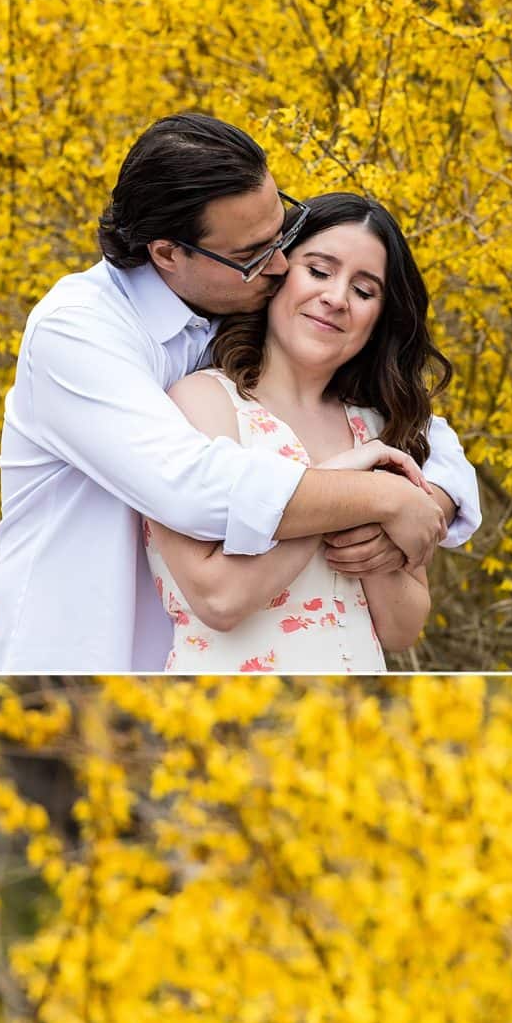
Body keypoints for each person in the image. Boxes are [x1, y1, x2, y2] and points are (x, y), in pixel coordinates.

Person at [0, 116, 480, 673]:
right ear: (168, 254)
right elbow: (196, 487)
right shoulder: (80, 333)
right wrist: (382, 498)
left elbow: (430, 443)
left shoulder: (234, 308)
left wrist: (427, 498)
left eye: (281, 237)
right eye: (254, 253)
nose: (281, 265)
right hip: (80, 660)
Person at [143, 192, 448, 671]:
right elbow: (220, 599)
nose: (336, 298)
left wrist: (371, 513)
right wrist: (355, 492)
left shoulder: (374, 429)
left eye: (364, 291)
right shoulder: (200, 402)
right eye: (319, 271)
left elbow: (401, 628)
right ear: (277, 272)